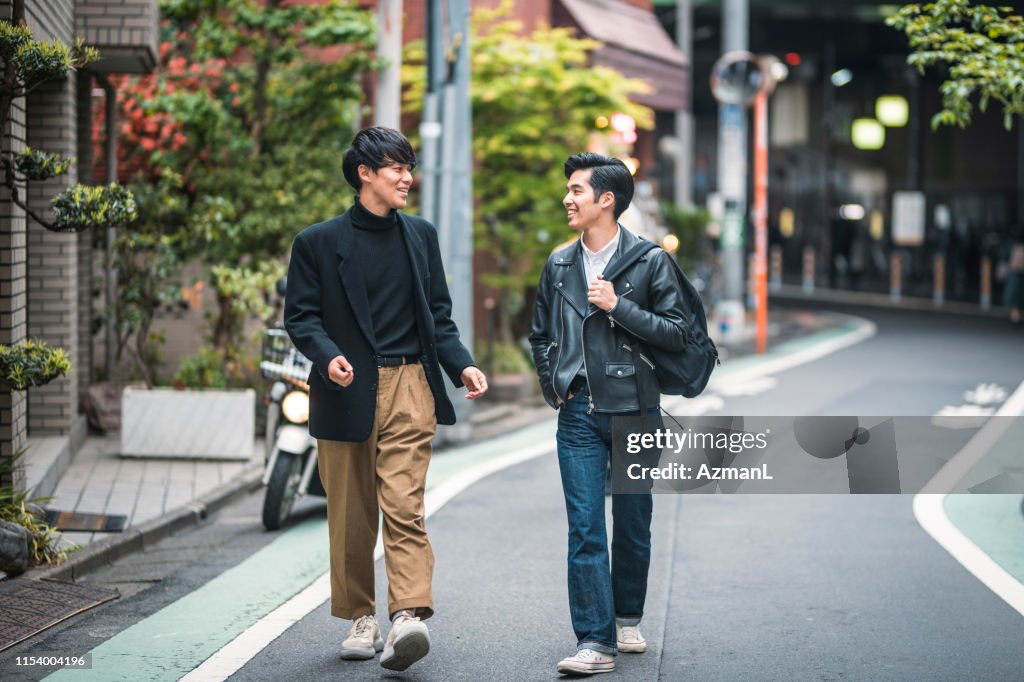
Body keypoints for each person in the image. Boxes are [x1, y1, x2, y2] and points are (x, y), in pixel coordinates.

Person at [284, 126, 487, 671]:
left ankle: (408, 615)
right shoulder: (318, 242)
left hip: (410, 385)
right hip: (345, 387)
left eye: (409, 167)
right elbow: (300, 316)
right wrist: (328, 356)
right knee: (350, 513)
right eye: (396, 167)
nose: (407, 177)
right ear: (364, 174)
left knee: (404, 504)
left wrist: (461, 363)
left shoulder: (419, 235)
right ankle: (361, 617)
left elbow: (438, 315)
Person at [529, 153, 688, 675]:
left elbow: (678, 334)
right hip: (576, 414)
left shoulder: (649, 261)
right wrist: (554, 384)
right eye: (568, 189)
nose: (567, 199)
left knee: (634, 524)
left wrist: (619, 306)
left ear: (607, 200)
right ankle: (594, 642)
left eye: (576, 190)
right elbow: (540, 334)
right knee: (585, 528)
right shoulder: (558, 264)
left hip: (636, 412)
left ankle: (626, 615)